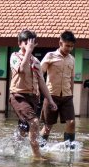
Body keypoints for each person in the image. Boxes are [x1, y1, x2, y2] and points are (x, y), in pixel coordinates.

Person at [9, 29, 57, 159]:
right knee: (34, 122)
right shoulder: (14, 56)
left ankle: (15, 152)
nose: (29, 44)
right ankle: (37, 156)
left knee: (24, 128)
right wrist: (28, 52)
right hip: (18, 96)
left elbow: (41, 82)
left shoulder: (36, 61)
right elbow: (22, 71)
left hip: (33, 98)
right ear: (20, 43)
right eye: (26, 42)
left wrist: (50, 100)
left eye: (31, 42)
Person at [39, 30, 77, 147]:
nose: (69, 49)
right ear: (60, 43)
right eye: (67, 46)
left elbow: (71, 78)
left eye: (71, 46)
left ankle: (69, 148)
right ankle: (39, 147)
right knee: (48, 126)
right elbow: (40, 74)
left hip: (67, 96)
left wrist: (72, 93)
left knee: (71, 122)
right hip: (51, 95)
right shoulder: (50, 56)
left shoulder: (72, 59)